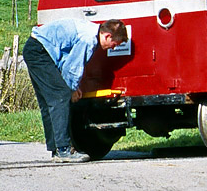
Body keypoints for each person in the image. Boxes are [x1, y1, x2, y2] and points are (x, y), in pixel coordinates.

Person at [23, 17, 128, 162]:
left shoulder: (90, 31)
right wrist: (71, 90)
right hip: (40, 52)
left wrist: (73, 87)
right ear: (107, 36)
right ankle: (64, 150)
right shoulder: (88, 39)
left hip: (36, 48)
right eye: (115, 44)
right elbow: (72, 68)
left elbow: (66, 63)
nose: (114, 48)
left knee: (49, 102)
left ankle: (56, 149)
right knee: (60, 98)